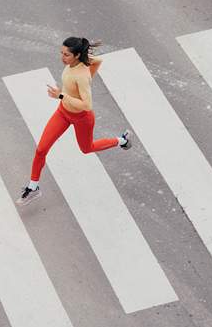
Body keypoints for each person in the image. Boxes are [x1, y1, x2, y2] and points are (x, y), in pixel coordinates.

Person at [16, 37, 131, 206]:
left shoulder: (82, 76)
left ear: (76, 55)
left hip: (82, 118)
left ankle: (122, 140)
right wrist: (86, 63)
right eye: (61, 53)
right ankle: (33, 187)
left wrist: (61, 95)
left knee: (87, 148)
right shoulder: (75, 65)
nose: (62, 58)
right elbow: (97, 61)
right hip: (63, 113)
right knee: (41, 149)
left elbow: (87, 104)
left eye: (67, 55)